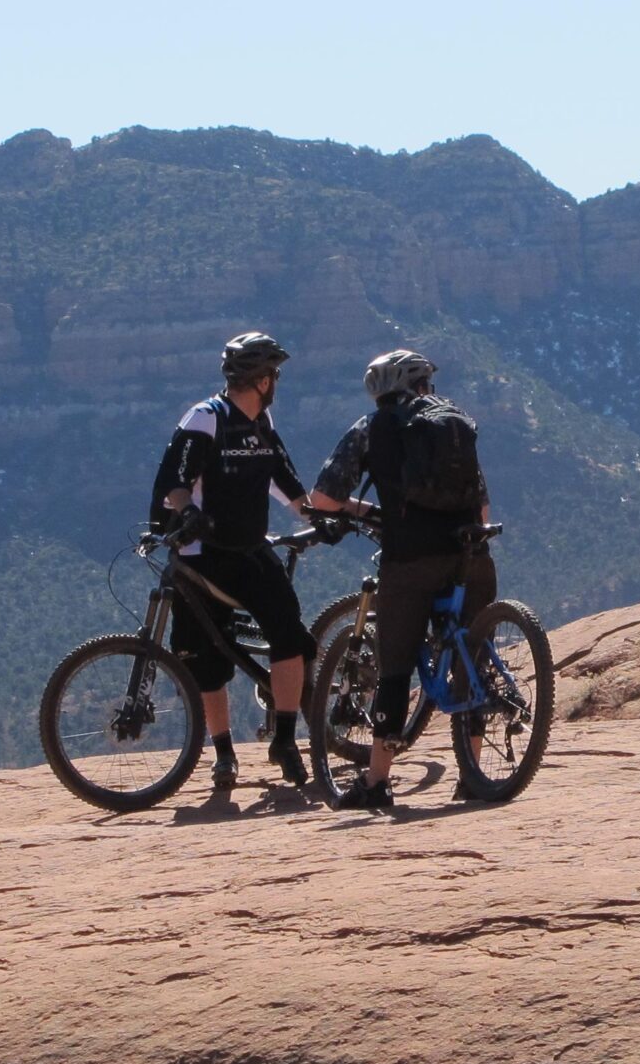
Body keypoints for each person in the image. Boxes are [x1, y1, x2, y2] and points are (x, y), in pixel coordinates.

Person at [308, 348, 492, 811]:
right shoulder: (454, 424)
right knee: (471, 658)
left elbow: (324, 498)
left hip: (411, 558)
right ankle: (473, 774)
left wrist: (366, 512)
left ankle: (375, 781)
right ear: (423, 384)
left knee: (395, 665)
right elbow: (483, 505)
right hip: (473, 551)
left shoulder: (373, 428)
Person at [147, 331, 314, 790]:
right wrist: (188, 513)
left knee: (290, 638)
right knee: (205, 660)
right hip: (203, 557)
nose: (275, 382)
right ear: (262, 380)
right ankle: (223, 753)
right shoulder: (206, 419)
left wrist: (321, 518)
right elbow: (172, 483)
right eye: (274, 375)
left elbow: (287, 484)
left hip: (250, 549)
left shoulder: (263, 424)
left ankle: (283, 739)